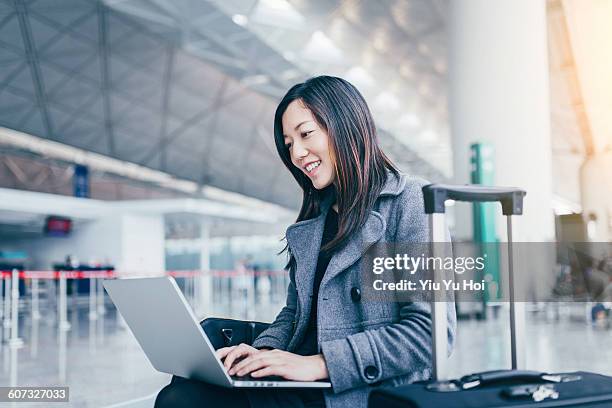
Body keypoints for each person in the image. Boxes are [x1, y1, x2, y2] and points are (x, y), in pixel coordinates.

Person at [155, 75, 456, 408]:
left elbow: (431, 332)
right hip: (302, 382)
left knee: (185, 401)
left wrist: (320, 364)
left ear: (345, 125)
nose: (297, 153)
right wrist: (263, 352)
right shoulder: (316, 221)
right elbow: (296, 314)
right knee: (184, 391)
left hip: (358, 390)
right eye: (288, 144)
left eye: (305, 134)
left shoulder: (410, 201)